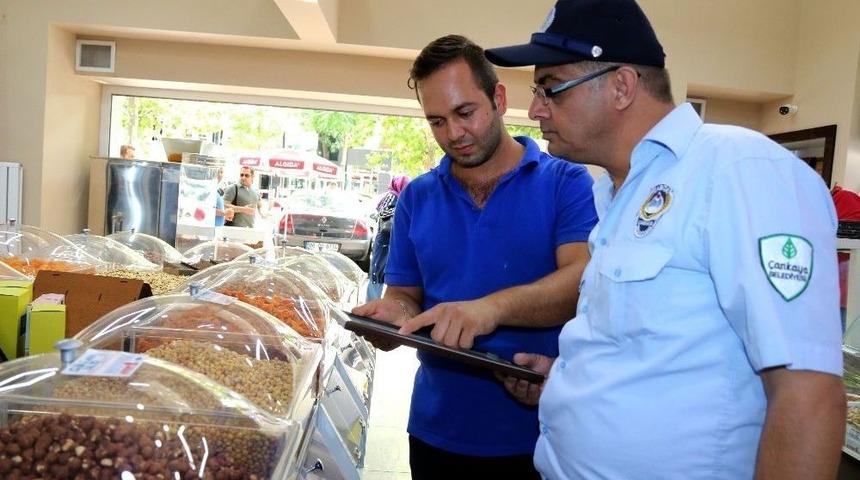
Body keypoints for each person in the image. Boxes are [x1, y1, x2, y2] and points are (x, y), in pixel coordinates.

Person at [483, 1, 846, 478]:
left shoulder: (738, 170)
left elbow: (808, 392)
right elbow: (656, 352)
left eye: (550, 88)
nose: (534, 110)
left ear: (621, 86)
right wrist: (570, 380)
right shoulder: (615, 194)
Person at [352, 35, 597, 479]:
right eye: (437, 121)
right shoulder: (417, 199)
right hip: (436, 432)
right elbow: (406, 294)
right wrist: (391, 317)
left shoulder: (567, 182)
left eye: (465, 113)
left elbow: (581, 283)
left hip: (539, 435)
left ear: (498, 98)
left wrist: (488, 310)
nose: (454, 134)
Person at [366, 175, 411, 300]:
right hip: (385, 239)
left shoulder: (401, 198)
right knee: (377, 271)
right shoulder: (392, 196)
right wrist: (399, 210)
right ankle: (371, 303)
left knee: (384, 272)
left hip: (391, 239)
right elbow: (383, 212)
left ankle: (377, 302)